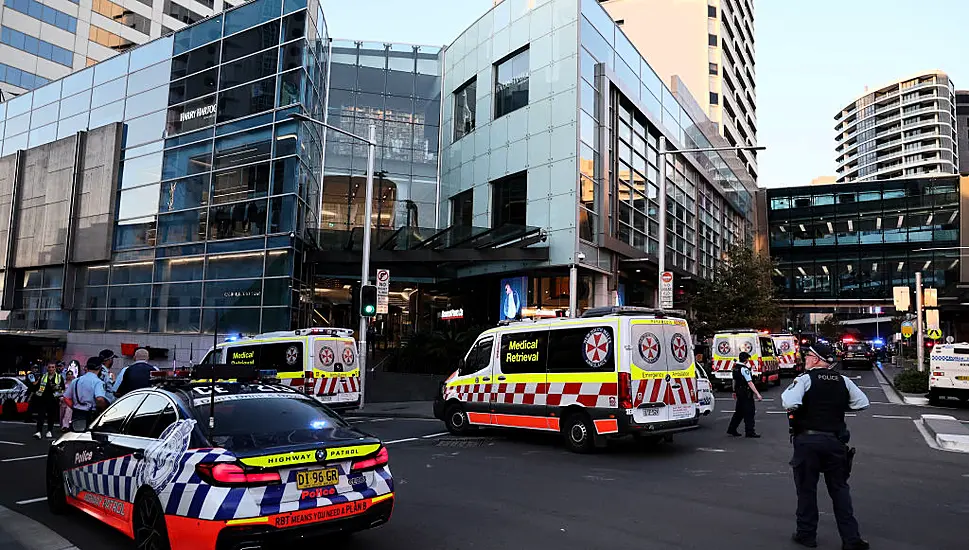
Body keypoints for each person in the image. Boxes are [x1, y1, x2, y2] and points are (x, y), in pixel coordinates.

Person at [782, 341, 870, 550]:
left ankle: (807, 535)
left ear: (815, 359)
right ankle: (851, 540)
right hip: (835, 442)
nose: (805, 360)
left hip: (808, 442)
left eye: (807, 357)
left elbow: (789, 402)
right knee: (840, 490)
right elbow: (862, 402)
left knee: (806, 490)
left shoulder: (804, 379)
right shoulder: (843, 381)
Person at [726, 351, 763, 438]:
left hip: (739, 392)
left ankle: (732, 429)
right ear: (746, 360)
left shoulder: (735, 368)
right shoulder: (744, 369)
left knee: (739, 412)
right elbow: (750, 383)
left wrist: (734, 391)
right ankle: (750, 431)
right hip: (746, 393)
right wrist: (757, 394)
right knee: (749, 412)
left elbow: (734, 380)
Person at [65, 358, 109, 429]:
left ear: (87, 367)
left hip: (76, 414)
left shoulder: (76, 381)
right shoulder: (98, 382)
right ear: (100, 368)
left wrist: (74, 407)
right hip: (91, 415)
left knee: (76, 436)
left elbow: (66, 398)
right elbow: (99, 399)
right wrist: (104, 409)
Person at [32, 362, 64, 439]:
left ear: (55, 368)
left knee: (51, 416)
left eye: (52, 367)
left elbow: (62, 389)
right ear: (47, 368)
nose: (51, 369)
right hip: (43, 399)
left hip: (53, 399)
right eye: (49, 367)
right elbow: (37, 387)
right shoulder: (43, 376)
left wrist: (57, 392)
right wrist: (37, 394)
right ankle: (38, 431)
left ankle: (49, 431)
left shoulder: (59, 377)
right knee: (40, 416)